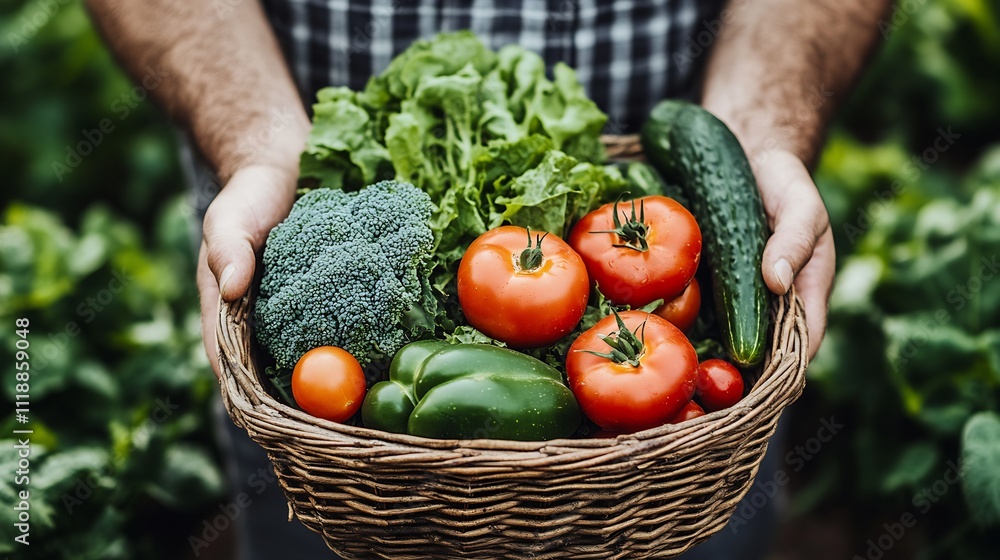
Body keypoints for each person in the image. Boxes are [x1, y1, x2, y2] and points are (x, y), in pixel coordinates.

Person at [86, 0, 891, 558]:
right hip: (333, 445)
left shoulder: (688, 336)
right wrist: (259, 146)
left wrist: (758, 136)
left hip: (677, 466)